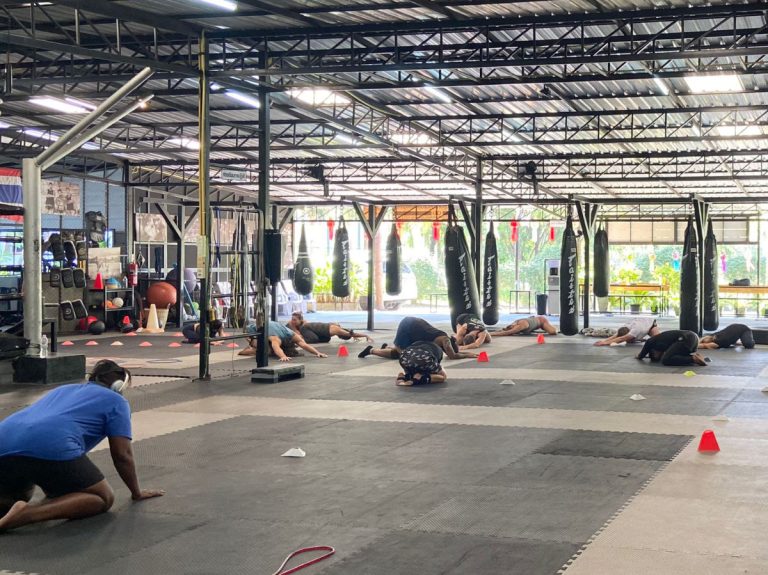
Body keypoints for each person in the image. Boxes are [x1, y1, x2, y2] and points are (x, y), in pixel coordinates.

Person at [0, 360, 163, 532]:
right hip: (49, 444)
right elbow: (122, 455)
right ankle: (27, 514)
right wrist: (136, 492)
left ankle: (10, 505)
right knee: (102, 497)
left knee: (15, 496)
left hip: (4, 438)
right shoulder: (116, 401)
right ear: (119, 386)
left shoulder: (64, 389)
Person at [358, 316, 478, 360]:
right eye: (447, 350)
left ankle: (386, 348)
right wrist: (468, 355)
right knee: (402, 355)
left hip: (414, 330)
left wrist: (468, 353)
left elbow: (453, 353)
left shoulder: (441, 341)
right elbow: (453, 356)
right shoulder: (445, 339)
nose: (446, 352)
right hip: (409, 326)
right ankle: (371, 350)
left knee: (406, 352)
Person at [239, 320, 328, 361]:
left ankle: (250, 348)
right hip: (253, 329)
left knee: (267, 350)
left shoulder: (291, 334)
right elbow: (276, 348)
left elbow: (304, 345)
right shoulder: (275, 339)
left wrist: (317, 353)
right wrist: (283, 356)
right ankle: (247, 349)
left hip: (266, 324)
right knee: (261, 349)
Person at [287, 312, 372, 344]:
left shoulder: (336, 329)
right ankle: (296, 340)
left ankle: (297, 339)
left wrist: (354, 335)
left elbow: (349, 333)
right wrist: (365, 335)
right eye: (292, 319)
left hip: (314, 330)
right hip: (309, 329)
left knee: (326, 339)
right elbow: (349, 333)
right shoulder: (336, 330)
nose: (293, 321)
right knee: (313, 339)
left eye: (294, 320)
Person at [636, 330, 708, 366]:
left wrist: (640, 356)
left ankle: (693, 359)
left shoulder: (652, 341)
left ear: (652, 350)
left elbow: (642, 354)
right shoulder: (663, 344)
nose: (657, 356)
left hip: (686, 338)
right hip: (693, 339)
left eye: (654, 355)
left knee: (666, 360)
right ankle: (695, 357)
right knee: (673, 355)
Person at [594, 316, 660, 346]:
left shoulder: (634, 331)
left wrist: (605, 343)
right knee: (629, 341)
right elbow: (616, 336)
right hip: (641, 323)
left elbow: (621, 338)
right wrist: (604, 341)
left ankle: (638, 338)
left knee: (658, 340)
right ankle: (639, 338)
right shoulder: (625, 326)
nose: (626, 340)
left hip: (651, 324)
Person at [491, 315, 557, 337]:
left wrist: (491, 334)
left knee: (553, 332)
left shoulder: (521, 325)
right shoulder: (515, 323)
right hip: (534, 320)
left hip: (542, 320)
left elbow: (506, 333)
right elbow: (505, 330)